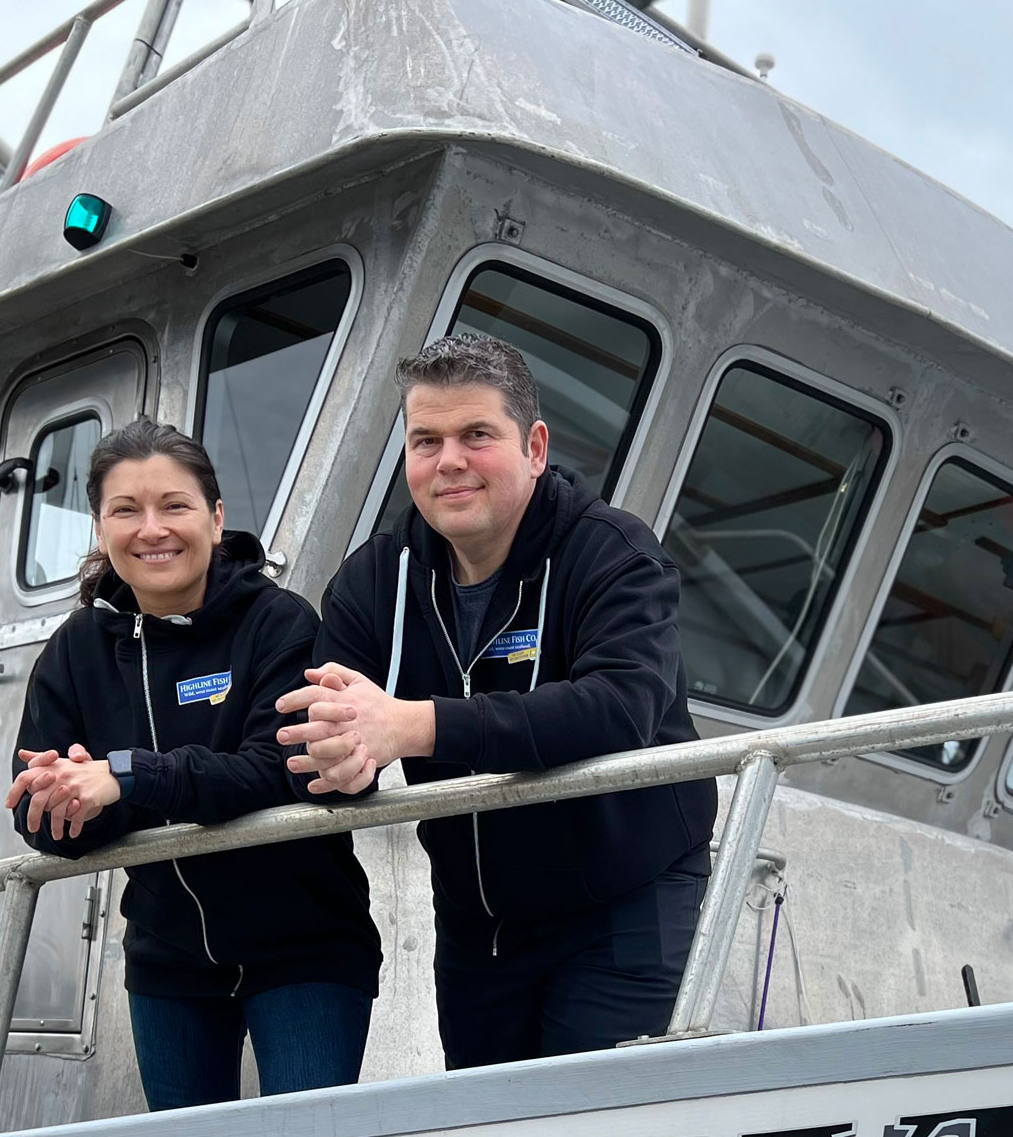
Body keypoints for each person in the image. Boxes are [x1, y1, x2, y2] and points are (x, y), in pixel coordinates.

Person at [275, 334, 714, 1067]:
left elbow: (619, 707)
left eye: (477, 435)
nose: (449, 460)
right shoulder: (376, 582)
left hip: (626, 898)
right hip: (482, 918)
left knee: (594, 1136)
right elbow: (313, 738)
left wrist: (413, 726)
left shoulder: (612, 553)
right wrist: (336, 762)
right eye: (426, 440)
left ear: (534, 447)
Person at [6, 419, 379, 1108]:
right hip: (168, 964)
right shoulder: (77, 649)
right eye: (126, 510)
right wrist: (65, 801)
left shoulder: (278, 622)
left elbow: (280, 770)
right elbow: (44, 823)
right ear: (100, 527)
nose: (152, 529)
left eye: (174, 506)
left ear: (215, 518)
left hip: (305, 952)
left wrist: (124, 776)